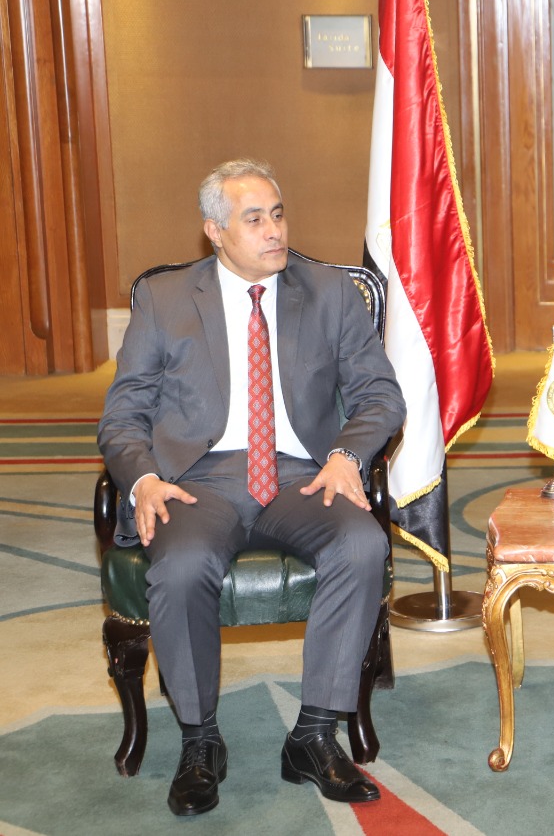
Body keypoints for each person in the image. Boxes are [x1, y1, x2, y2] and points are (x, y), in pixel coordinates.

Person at [98, 159, 406, 816]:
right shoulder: (166, 299)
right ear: (215, 231)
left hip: (303, 473)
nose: (274, 230)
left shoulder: (329, 291)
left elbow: (381, 394)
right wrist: (144, 479)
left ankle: (314, 735)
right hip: (199, 480)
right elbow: (122, 414)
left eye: (278, 214)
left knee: (361, 544)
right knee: (182, 563)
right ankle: (200, 741)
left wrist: (346, 457)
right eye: (254, 219)